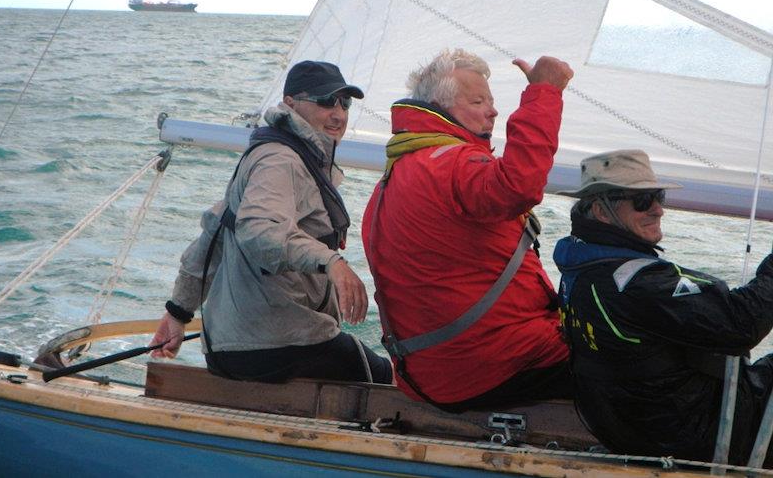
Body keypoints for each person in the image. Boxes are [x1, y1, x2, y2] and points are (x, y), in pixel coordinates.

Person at [150, 60, 392, 385]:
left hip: (230, 349)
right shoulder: (280, 161)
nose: (338, 113)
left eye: (344, 103)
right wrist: (332, 263)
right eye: (324, 101)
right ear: (290, 103)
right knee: (390, 381)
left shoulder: (276, 154)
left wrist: (177, 314)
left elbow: (213, 238)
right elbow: (260, 230)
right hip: (277, 343)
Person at [361, 48, 574, 410]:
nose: (492, 110)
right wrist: (544, 93)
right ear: (440, 106)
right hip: (486, 366)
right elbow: (518, 185)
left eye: (491, 100)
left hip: (429, 373)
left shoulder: (398, 174)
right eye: (478, 101)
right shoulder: (452, 165)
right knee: (644, 356)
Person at [553, 149, 773, 464]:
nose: (658, 210)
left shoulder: (579, 268)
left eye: (658, 197)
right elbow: (741, 324)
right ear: (602, 211)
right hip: (693, 433)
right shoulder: (637, 283)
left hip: (631, 427)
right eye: (643, 201)